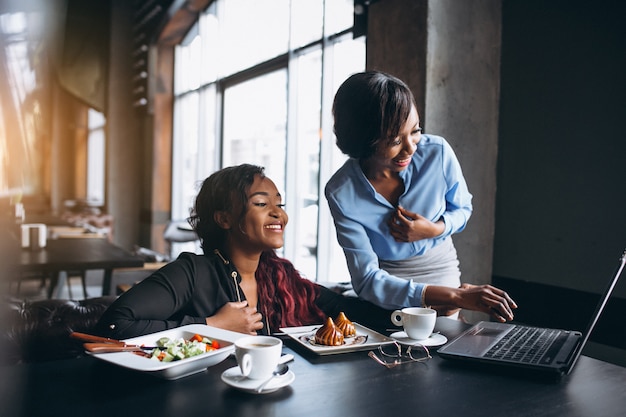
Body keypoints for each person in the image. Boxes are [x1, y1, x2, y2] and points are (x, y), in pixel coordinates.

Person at [96, 164, 393, 340]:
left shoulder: (282, 276)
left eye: (280, 204)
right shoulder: (192, 272)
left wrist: (411, 315)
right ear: (224, 218)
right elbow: (112, 325)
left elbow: (345, 309)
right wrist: (209, 326)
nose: (279, 214)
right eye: (262, 204)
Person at [325, 70, 517, 322]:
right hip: (388, 290)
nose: (411, 147)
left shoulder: (437, 153)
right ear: (364, 140)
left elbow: (462, 209)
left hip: (443, 271)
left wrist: (435, 229)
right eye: (395, 140)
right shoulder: (341, 192)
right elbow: (368, 280)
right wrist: (454, 296)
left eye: (415, 130)